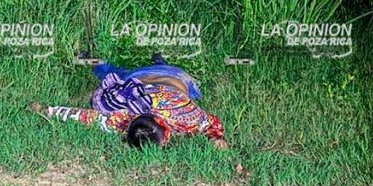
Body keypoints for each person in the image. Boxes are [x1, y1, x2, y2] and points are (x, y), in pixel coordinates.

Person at [29, 76, 228, 149]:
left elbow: (211, 122)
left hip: (175, 79)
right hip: (145, 80)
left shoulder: (186, 116)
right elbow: (84, 116)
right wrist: (47, 110)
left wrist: (216, 137)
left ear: (167, 133)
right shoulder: (123, 120)